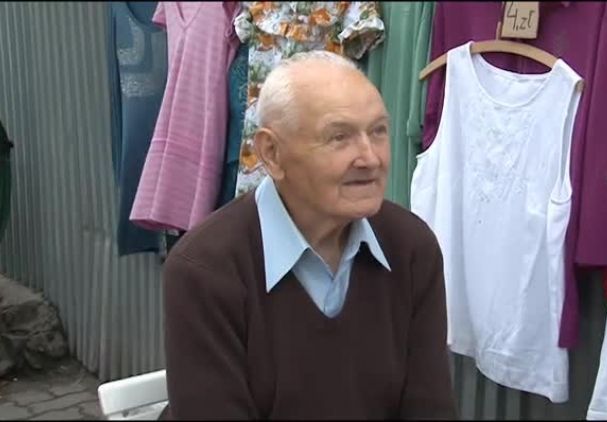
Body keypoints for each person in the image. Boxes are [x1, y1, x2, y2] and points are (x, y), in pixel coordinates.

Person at [160, 51, 457, 420]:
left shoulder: (411, 247)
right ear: (272, 153)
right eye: (339, 137)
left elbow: (430, 408)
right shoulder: (206, 269)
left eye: (378, 131)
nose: (370, 158)